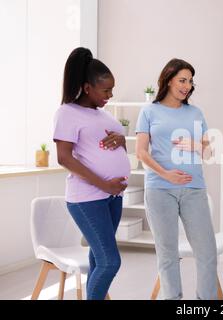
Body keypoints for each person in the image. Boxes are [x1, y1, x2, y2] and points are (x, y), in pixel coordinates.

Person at [135, 58, 217, 300]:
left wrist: (195, 144)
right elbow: (141, 152)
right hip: (160, 189)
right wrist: (165, 174)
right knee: (168, 254)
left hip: (194, 189)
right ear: (168, 79)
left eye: (190, 81)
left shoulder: (196, 113)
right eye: (182, 80)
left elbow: (209, 153)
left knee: (207, 253)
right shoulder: (149, 111)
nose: (187, 86)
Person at [53, 47, 130, 300]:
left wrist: (122, 140)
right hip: (87, 198)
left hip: (112, 198)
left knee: (98, 258)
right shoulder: (67, 113)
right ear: (87, 88)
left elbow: (118, 149)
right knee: (110, 262)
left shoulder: (103, 114)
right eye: (105, 90)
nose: (110, 95)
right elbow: (63, 157)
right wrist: (104, 184)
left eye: (111, 89)